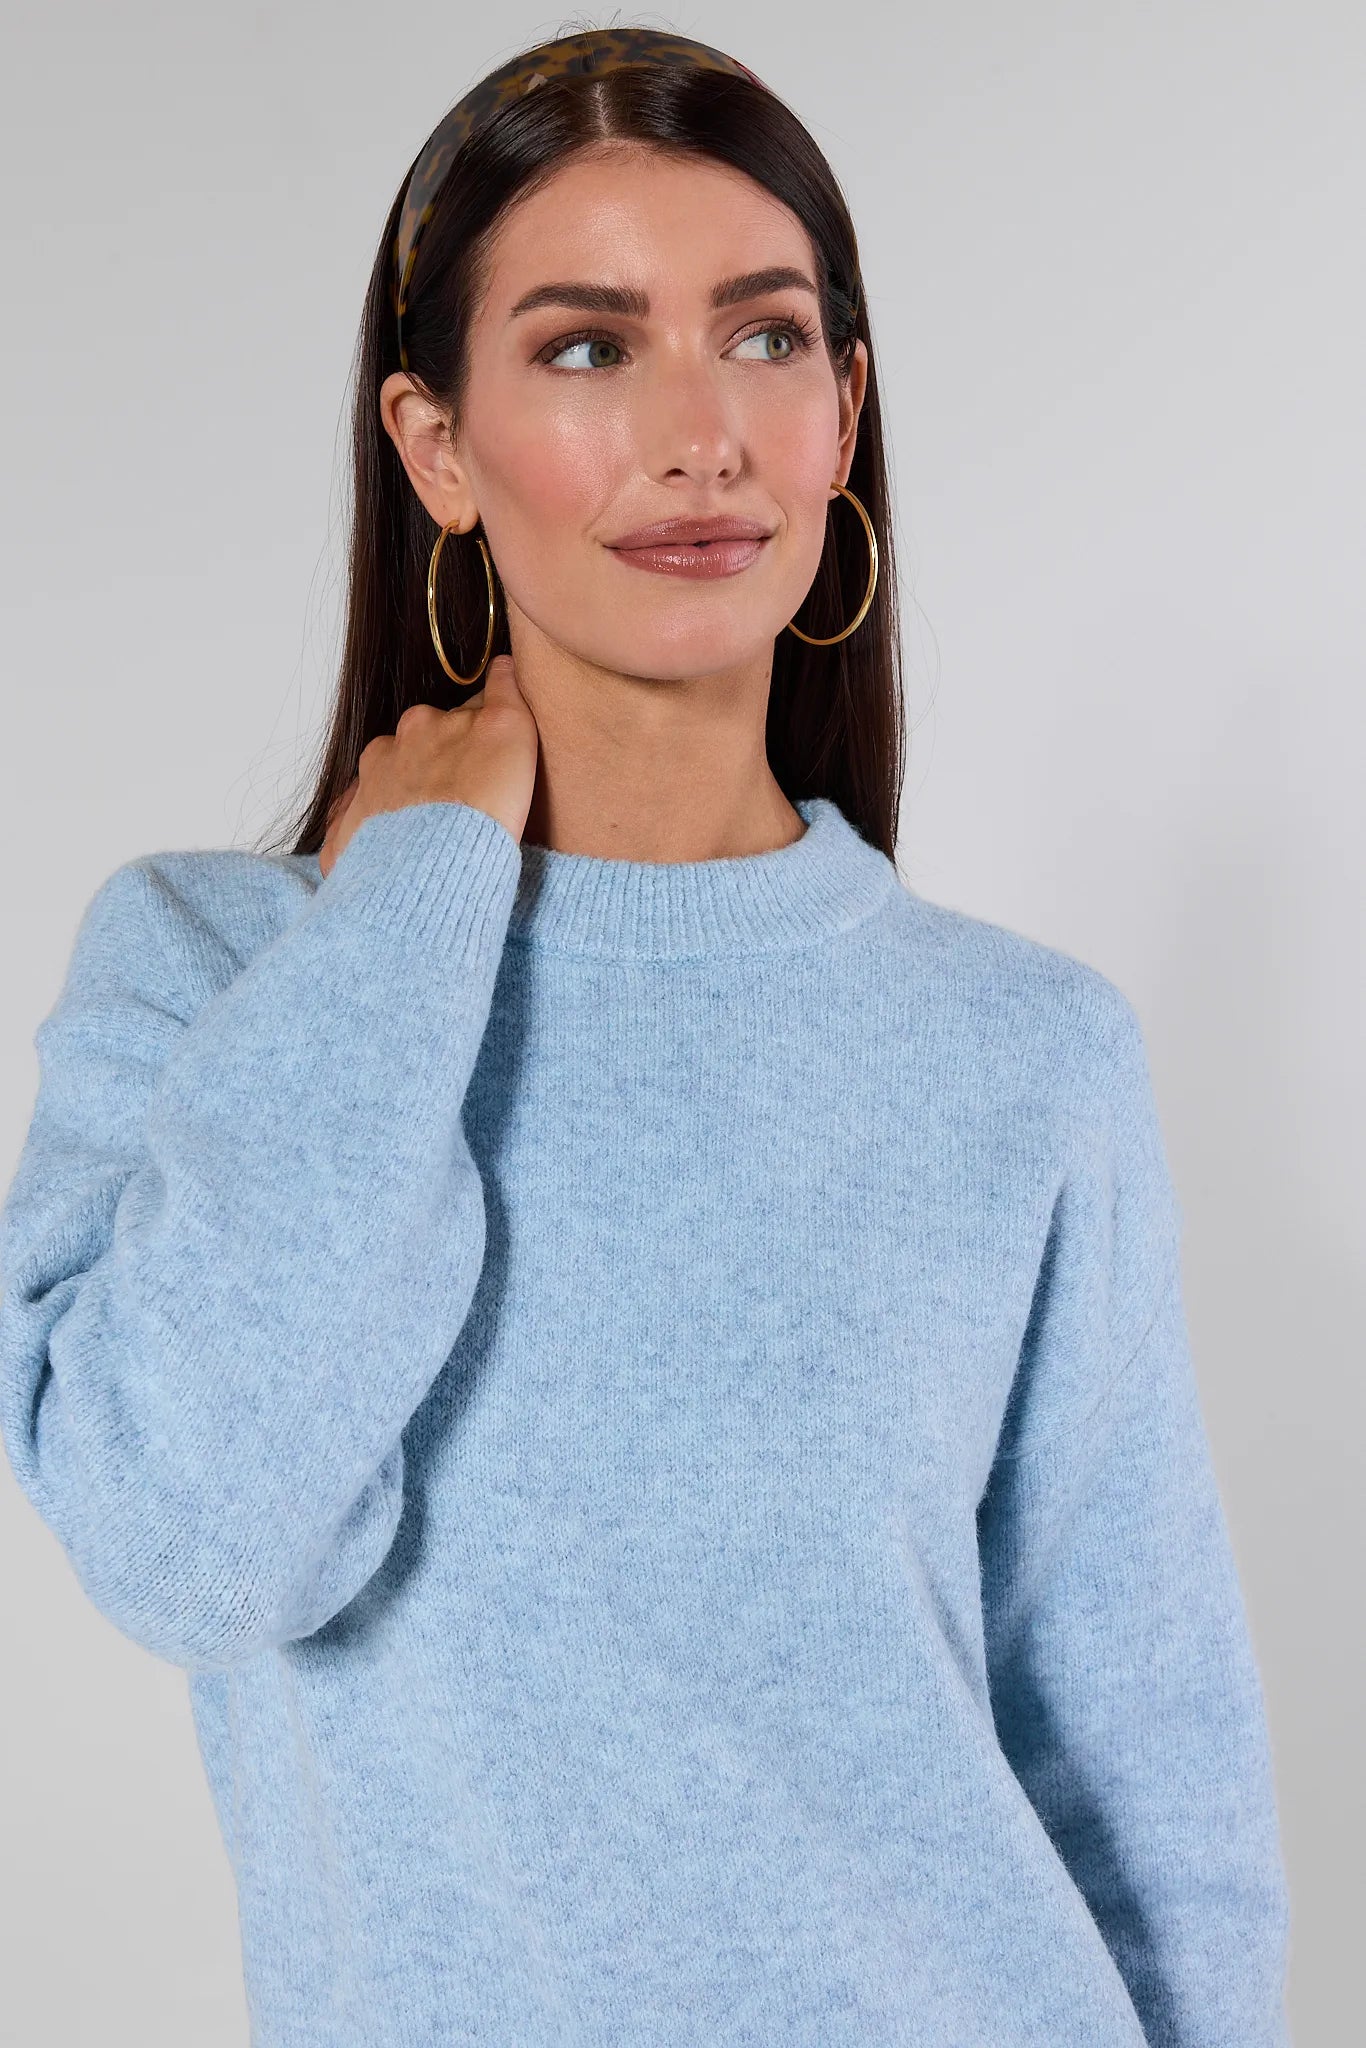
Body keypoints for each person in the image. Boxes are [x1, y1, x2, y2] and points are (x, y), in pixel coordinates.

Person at [0, 26, 1291, 2047]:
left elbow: (1152, 1781)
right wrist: (407, 907)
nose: (701, 433)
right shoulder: (222, 972)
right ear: (433, 444)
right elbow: (194, 1540)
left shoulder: (1022, 1054)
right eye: (588, 350)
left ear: (842, 409)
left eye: (765, 341)